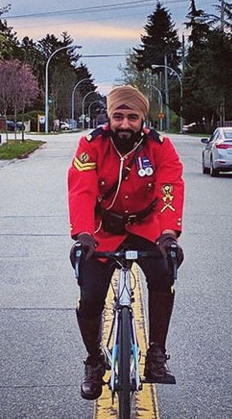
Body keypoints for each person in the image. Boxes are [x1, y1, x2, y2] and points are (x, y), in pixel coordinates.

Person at [67, 85, 185, 400]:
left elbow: (170, 187)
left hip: (148, 228)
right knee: (90, 297)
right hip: (102, 231)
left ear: (142, 119)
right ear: (109, 116)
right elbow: (81, 189)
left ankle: (156, 356)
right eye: (118, 116)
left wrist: (169, 233)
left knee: (164, 274)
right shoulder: (91, 144)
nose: (124, 124)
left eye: (132, 117)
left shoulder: (160, 146)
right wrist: (83, 234)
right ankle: (94, 361)